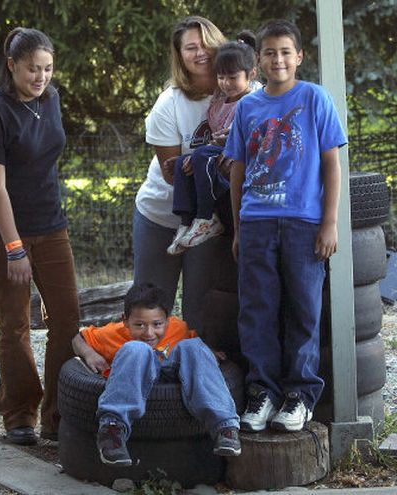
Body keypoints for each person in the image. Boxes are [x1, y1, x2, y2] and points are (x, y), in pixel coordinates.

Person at [225, 20, 347, 433]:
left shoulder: (314, 99)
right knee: (256, 310)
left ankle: (300, 395)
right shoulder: (247, 107)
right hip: (257, 222)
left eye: (285, 52)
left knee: (303, 309)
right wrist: (240, 227)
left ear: (299, 57)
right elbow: (238, 170)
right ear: (258, 60)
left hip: (303, 222)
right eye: (270, 52)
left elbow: (332, 165)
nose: (278, 59)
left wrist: (329, 223)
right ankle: (263, 392)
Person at [0, 28, 80, 445]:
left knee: (67, 317)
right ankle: (19, 415)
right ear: (12, 65)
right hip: (7, 232)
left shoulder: (51, 100)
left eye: (47, 68)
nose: (41, 77)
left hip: (53, 224)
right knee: (14, 325)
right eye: (33, 68)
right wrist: (14, 248)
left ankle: (59, 416)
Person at [72, 283, 241, 466]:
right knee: (137, 348)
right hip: (136, 373)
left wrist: (207, 354)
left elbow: (194, 347)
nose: (149, 333)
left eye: (157, 324)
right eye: (139, 325)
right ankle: (112, 430)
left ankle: (225, 427)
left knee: (194, 347)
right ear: (125, 321)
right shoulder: (112, 333)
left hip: (173, 373)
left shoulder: (178, 328)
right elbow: (77, 338)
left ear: (167, 321)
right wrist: (90, 354)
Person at [132, 16, 227, 332]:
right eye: (191, 48)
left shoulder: (244, 90)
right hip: (161, 215)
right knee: (150, 307)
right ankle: (149, 375)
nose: (200, 53)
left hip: (209, 221)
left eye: (206, 44)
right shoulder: (169, 104)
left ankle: (195, 373)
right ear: (180, 56)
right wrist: (210, 157)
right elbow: (173, 174)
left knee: (201, 309)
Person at [167, 35, 257, 255]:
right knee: (179, 164)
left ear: (251, 74)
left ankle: (207, 217)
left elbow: (250, 137)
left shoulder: (254, 100)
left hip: (236, 156)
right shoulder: (219, 101)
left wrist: (218, 145)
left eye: (232, 77)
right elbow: (214, 135)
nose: (226, 83)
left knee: (200, 156)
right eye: (221, 77)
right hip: (216, 150)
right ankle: (187, 221)